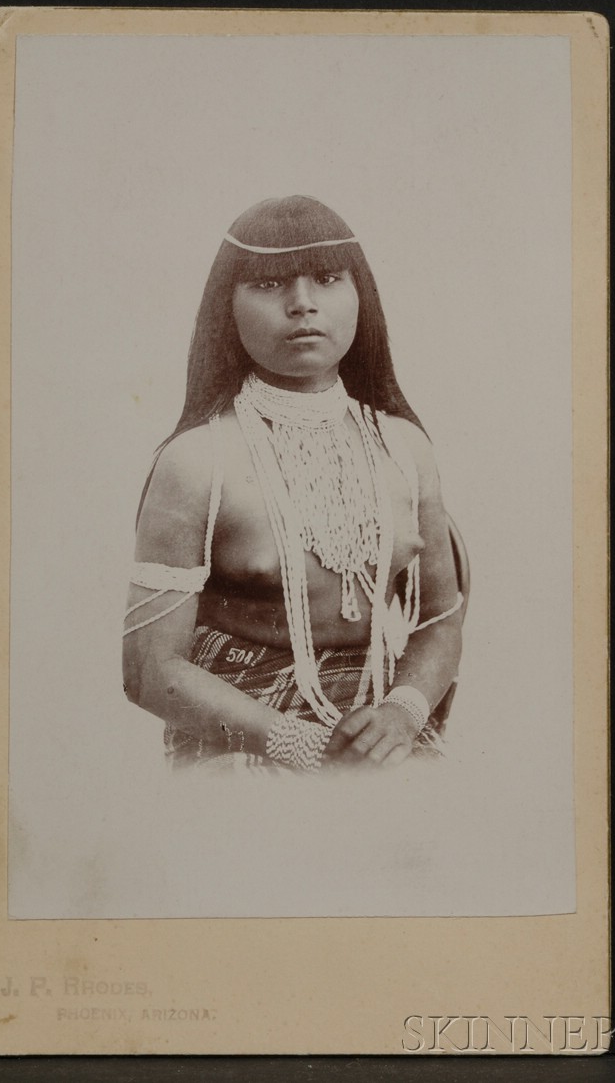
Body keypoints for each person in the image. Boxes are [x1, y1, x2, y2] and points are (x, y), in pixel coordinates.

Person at [122, 195, 463, 773]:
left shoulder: (405, 448)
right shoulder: (197, 460)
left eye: (328, 278)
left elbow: (439, 619)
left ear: (361, 297)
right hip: (241, 747)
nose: (303, 304)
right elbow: (148, 670)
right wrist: (303, 748)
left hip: (380, 733)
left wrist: (402, 714)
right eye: (269, 284)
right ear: (225, 309)